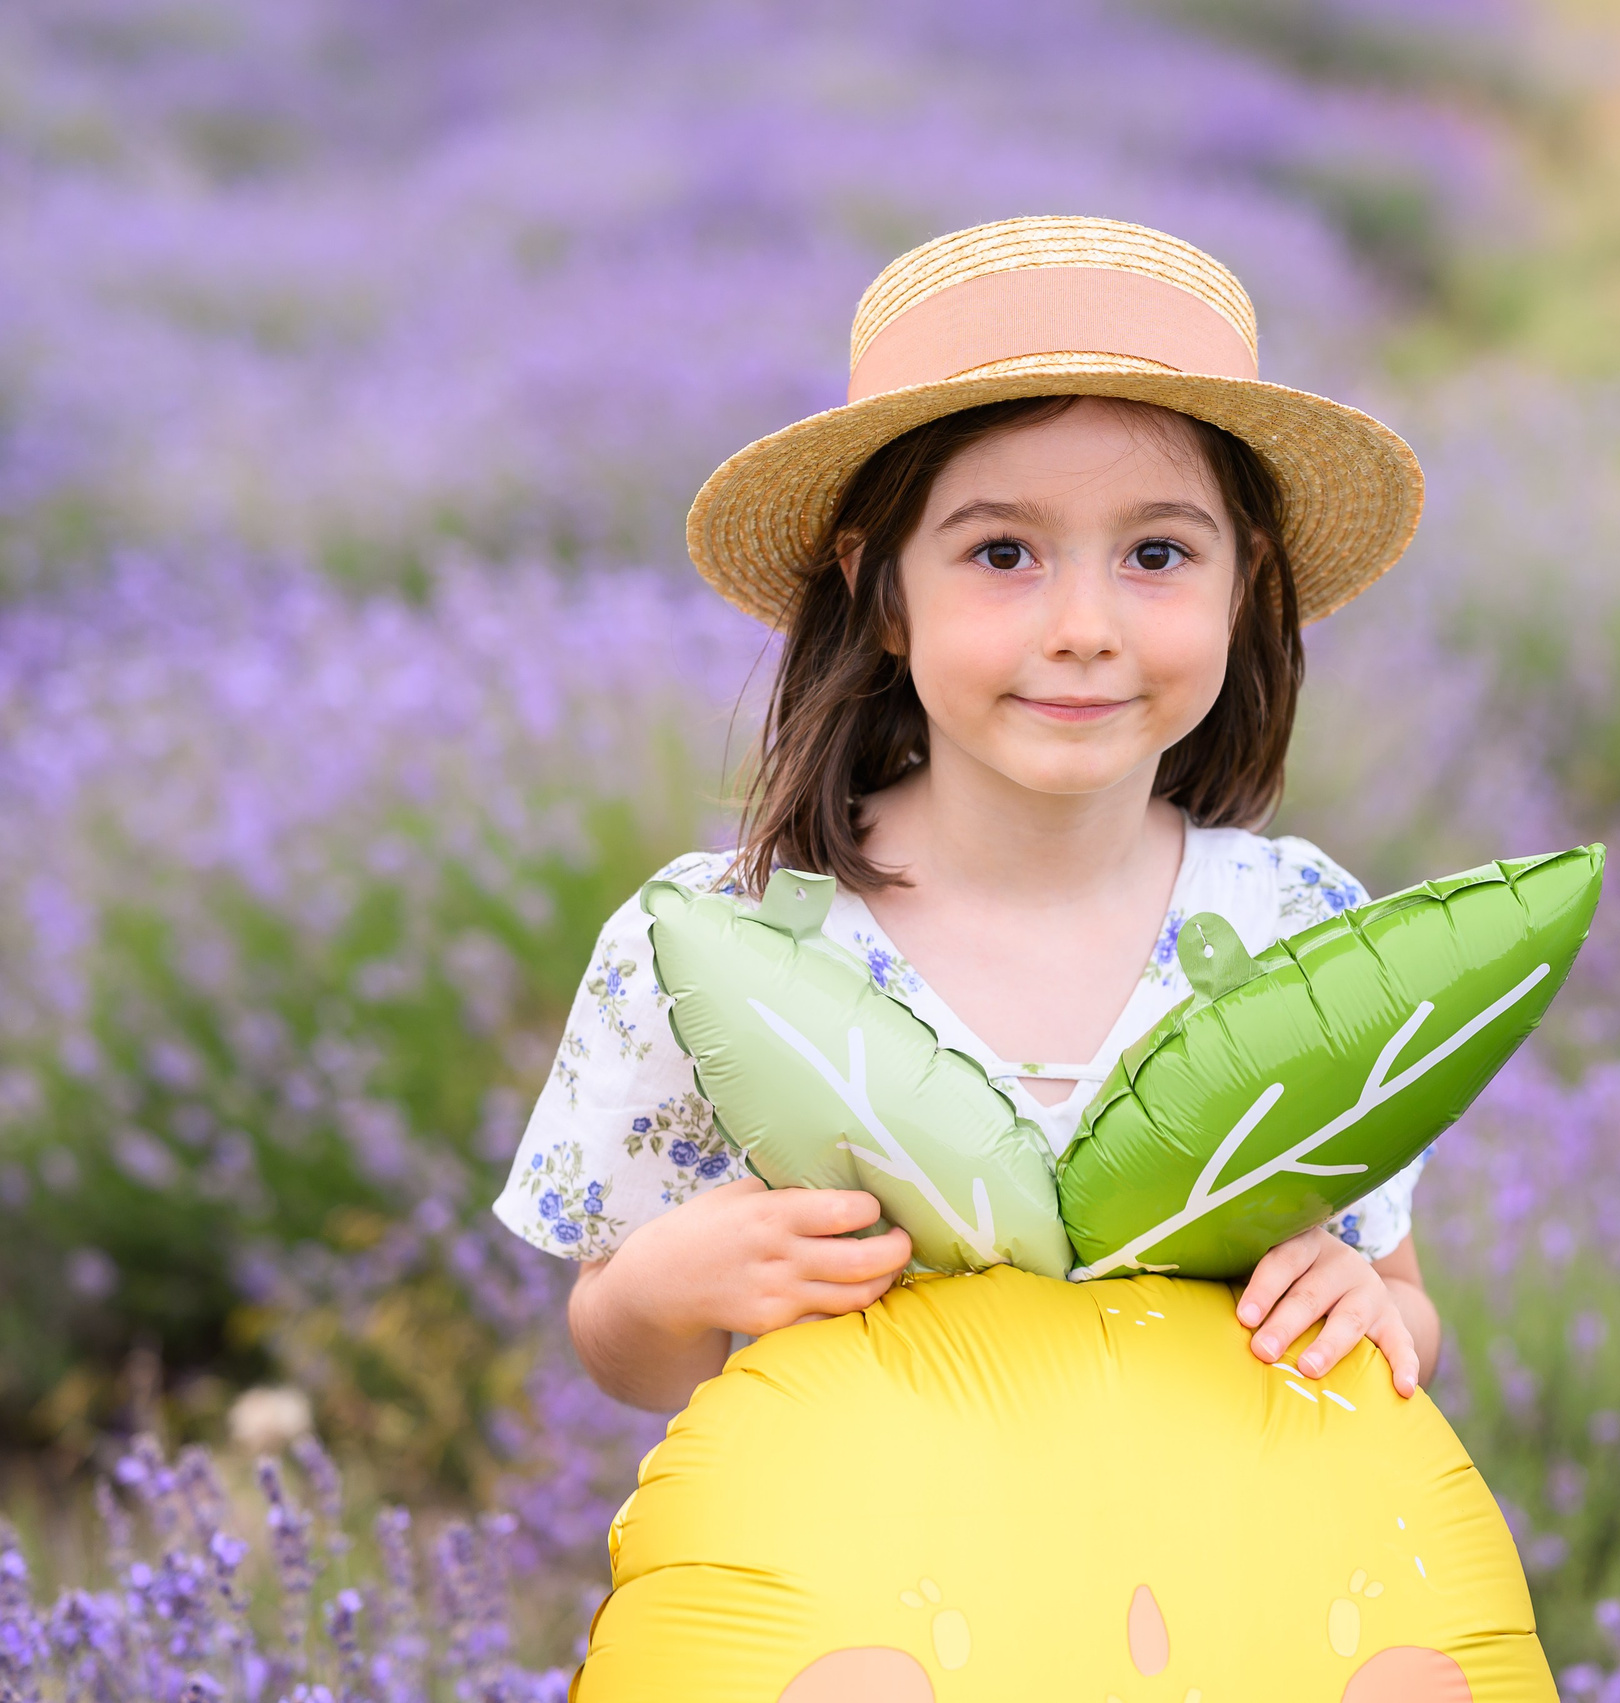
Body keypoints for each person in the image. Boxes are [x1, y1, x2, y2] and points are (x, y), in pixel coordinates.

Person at [490, 215, 1440, 1416]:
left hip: (1206, 1597)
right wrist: (666, 1290)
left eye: (1156, 551)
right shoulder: (713, 943)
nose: (1084, 625)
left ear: (1244, 584)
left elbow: (1403, 1298)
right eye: (1002, 552)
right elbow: (628, 1353)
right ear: (877, 587)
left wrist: (1361, 1301)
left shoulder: (1301, 925)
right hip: (858, 1590)